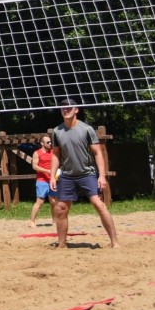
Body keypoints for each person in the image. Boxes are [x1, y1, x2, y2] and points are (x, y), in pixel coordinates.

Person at [49, 99, 120, 250]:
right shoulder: (57, 131)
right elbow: (55, 155)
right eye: (63, 108)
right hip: (67, 175)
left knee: (99, 204)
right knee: (61, 208)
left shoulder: (86, 129)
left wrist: (102, 176)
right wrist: (52, 176)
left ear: (76, 110)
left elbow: (98, 153)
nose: (65, 110)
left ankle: (115, 242)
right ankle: (62, 245)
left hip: (87, 173)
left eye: (69, 108)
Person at [15, 134, 58, 227]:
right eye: (48, 142)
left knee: (54, 201)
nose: (50, 143)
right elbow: (35, 166)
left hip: (52, 180)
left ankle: (54, 221)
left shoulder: (53, 152)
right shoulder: (37, 153)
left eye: (50, 142)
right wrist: (47, 171)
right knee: (40, 201)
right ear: (42, 143)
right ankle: (32, 221)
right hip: (42, 180)